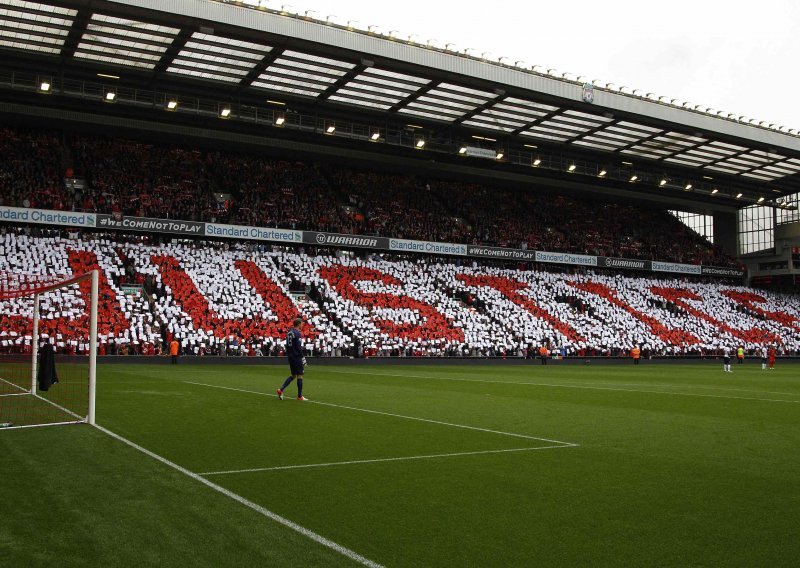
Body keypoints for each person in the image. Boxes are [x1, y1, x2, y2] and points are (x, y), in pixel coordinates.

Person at [277, 318, 307, 401]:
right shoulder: (297, 333)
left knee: (293, 375)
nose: (302, 325)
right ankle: (299, 396)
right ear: (298, 324)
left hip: (290, 356)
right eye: (302, 323)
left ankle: (281, 389)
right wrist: (303, 358)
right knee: (300, 375)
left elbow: (287, 345)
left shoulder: (289, 332)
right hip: (296, 356)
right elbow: (298, 347)